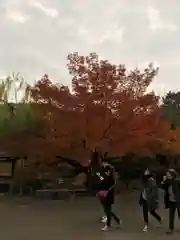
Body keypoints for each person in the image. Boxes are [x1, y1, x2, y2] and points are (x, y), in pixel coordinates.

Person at [96, 160, 121, 231]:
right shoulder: (108, 177)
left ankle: (108, 225)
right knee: (107, 210)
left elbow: (105, 184)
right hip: (105, 195)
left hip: (107, 195)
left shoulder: (110, 179)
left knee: (108, 211)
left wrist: (100, 178)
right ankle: (117, 221)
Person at [161, 169, 180, 234]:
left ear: (172, 174)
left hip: (178, 200)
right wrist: (163, 181)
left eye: (168, 174)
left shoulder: (177, 181)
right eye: (167, 174)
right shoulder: (167, 181)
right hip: (171, 200)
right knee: (171, 215)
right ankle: (170, 228)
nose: (167, 175)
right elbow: (163, 187)